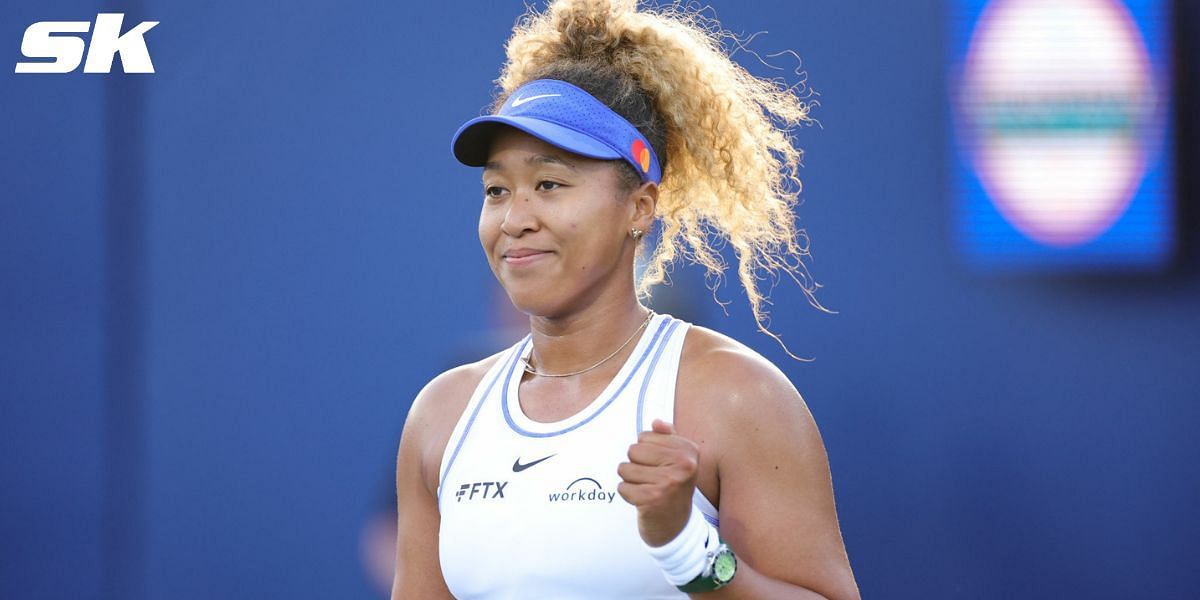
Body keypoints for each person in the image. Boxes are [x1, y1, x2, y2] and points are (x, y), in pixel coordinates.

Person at [393, 0, 858, 597]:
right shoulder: (441, 414)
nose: (514, 218)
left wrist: (687, 549)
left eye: (549, 184)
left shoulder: (735, 396)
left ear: (639, 206)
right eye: (496, 189)